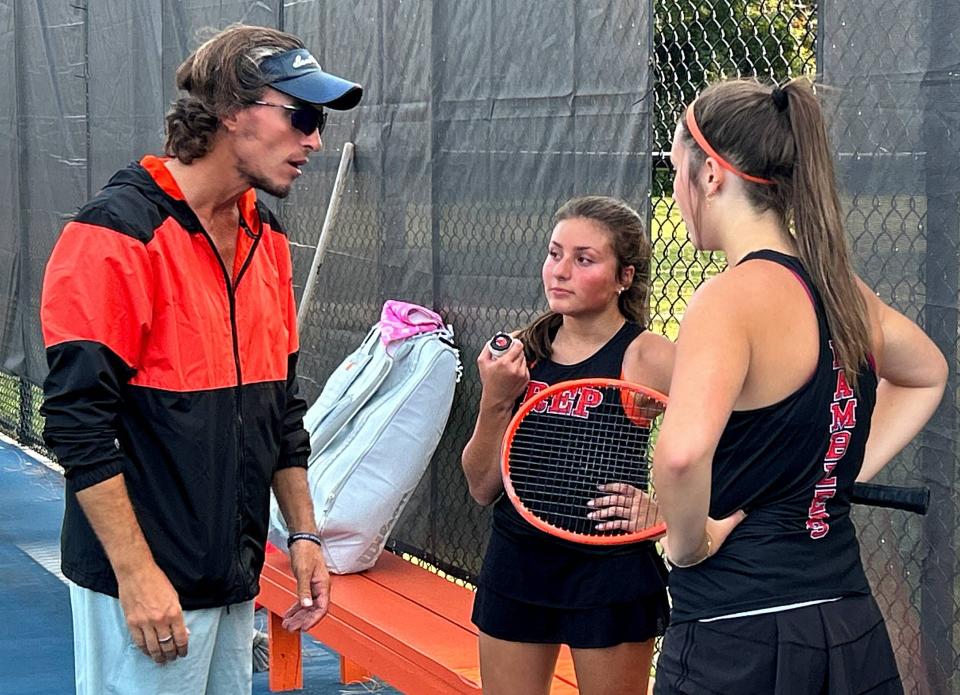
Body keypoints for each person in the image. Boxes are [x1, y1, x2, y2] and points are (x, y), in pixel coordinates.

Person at [39, 24, 362, 695]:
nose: (314, 139)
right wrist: (137, 574)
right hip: (146, 587)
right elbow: (77, 425)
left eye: (319, 122)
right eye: (301, 116)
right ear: (230, 111)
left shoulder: (264, 237)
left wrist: (304, 535)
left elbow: (282, 407)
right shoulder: (114, 234)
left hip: (230, 572)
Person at [652, 78, 947, 695]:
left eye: (678, 169)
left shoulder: (728, 298)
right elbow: (927, 373)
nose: (677, 192)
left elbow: (680, 456)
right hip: (847, 622)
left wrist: (689, 545)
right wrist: (838, 471)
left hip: (738, 634)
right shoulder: (844, 290)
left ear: (711, 176)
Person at [461, 196, 674, 695]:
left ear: (625, 276)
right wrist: (495, 400)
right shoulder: (518, 353)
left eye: (584, 259)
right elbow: (480, 486)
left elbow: (742, 437)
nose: (560, 271)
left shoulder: (647, 356)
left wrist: (664, 513)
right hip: (518, 562)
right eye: (554, 254)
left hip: (609, 571)